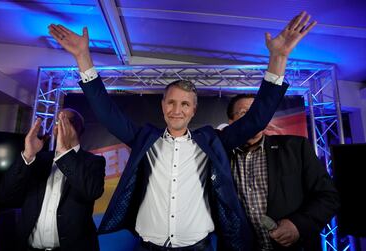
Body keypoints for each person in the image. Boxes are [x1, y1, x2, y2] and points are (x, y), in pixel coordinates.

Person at [48, 11, 315, 250]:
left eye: (185, 104)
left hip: (197, 247)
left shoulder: (213, 141)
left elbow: (256, 119)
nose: (177, 109)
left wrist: (278, 58)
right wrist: (83, 57)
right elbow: (107, 113)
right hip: (147, 245)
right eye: (172, 102)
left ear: (194, 110)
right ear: (163, 105)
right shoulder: (144, 139)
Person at [226, 94, 340, 250]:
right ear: (231, 122)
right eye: (245, 112)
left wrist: (297, 225)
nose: (254, 117)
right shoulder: (222, 156)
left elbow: (328, 196)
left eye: (258, 111)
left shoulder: (296, 147)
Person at [0, 109, 106, 251]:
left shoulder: (93, 161)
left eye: (67, 121)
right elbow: (5, 195)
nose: (61, 125)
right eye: (58, 121)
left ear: (81, 128)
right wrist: (28, 155)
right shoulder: (39, 159)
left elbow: (92, 191)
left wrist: (65, 152)